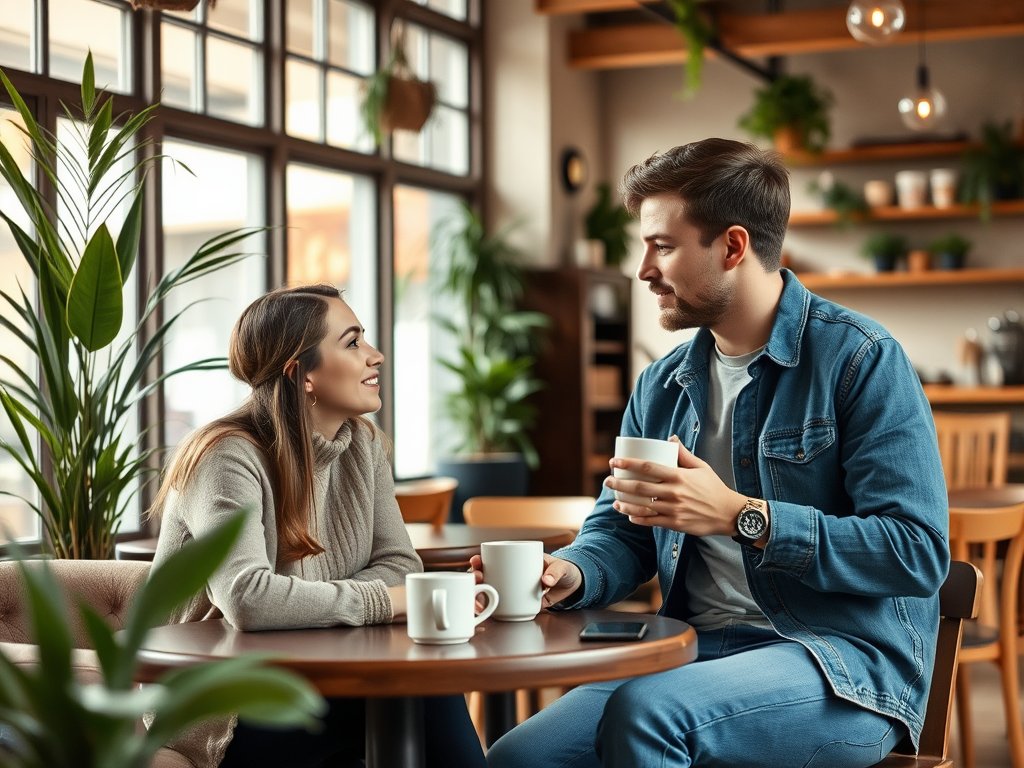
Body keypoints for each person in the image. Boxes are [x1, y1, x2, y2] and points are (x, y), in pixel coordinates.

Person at [480, 139, 949, 768]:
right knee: (519, 757)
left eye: (663, 246)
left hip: (840, 668)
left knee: (647, 719)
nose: (644, 269)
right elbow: (621, 533)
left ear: (732, 247)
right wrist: (571, 574)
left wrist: (739, 516)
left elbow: (914, 552)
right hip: (688, 652)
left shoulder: (860, 360)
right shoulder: (662, 382)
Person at [149, 284, 486, 768]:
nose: (377, 356)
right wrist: (385, 600)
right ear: (302, 374)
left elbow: (399, 564)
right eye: (352, 343)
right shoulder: (225, 455)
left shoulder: (362, 445)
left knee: (419, 689)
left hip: (325, 678)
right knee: (417, 694)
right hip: (223, 706)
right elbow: (248, 597)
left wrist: (324, 600)